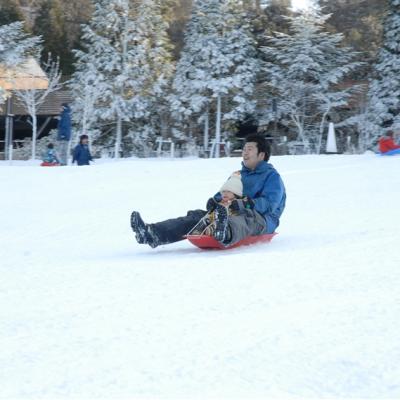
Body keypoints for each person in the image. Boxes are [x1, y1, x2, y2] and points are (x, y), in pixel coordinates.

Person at [130, 133, 286, 248]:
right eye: (244, 149)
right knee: (197, 217)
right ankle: (152, 233)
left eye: (249, 149)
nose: (245, 152)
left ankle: (224, 231)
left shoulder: (272, 177)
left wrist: (244, 204)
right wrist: (216, 201)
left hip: (261, 219)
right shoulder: (238, 175)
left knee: (246, 220)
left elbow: (270, 204)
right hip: (231, 212)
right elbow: (224, 192)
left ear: (262, 155)